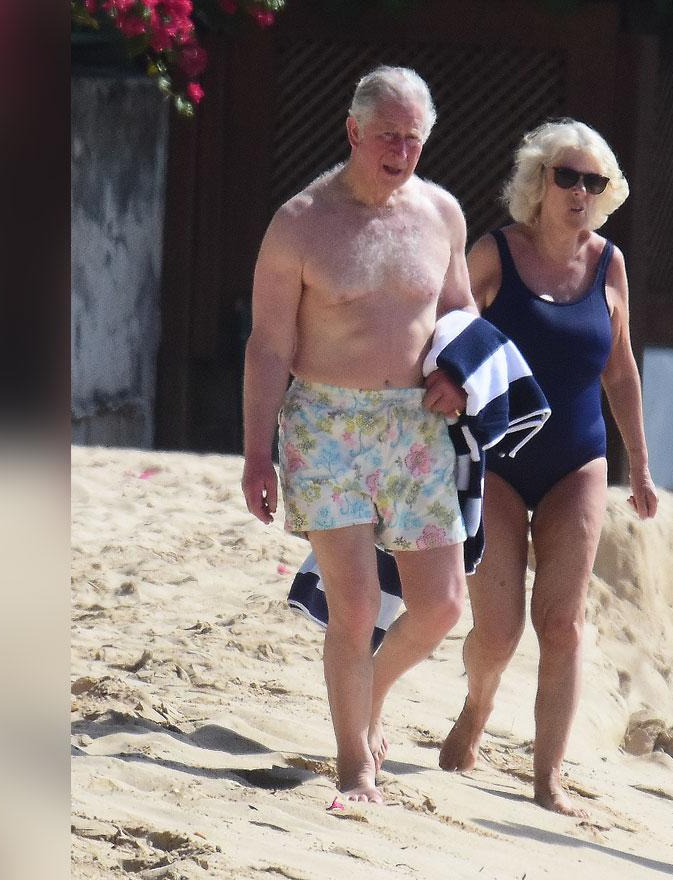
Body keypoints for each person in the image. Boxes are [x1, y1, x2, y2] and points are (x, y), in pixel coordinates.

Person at [241, 66, 473, 805]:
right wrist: (255, 454)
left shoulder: (440, 213)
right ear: (353, 131)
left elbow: (460, 313)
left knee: (441, 605)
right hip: (325, 424)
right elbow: (269, 345)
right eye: (388, 136)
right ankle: (354, 767)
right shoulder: (300, 221)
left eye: (413, 138)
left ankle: (367, 696)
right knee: (358, 605)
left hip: (414, 426)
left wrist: (458, 376)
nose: (401, 151)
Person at [435, 119, 659, 816]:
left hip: (578, 463)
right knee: (497, 630)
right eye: (569, 176)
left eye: (595, 182)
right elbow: (442, 327)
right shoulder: (495, 254)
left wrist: (642, 471)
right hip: (497, 462)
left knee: (561, 623)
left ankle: (547, 780)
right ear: (539, 182)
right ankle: (477, 704)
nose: (582, 191)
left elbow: (619, 374)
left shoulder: (610, 265)